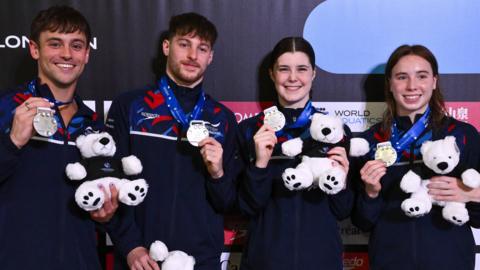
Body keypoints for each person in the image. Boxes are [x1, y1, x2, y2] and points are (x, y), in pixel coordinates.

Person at [105, 12, 239, 270]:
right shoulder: (129, 106)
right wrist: (130, 245)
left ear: (210, 57)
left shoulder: (223, 119)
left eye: (202, 48)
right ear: (166, 46)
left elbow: (228, 202)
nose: (192, 55)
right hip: (142, 260)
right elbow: (110, 182)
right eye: (184, 44)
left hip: (201, 262)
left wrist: (218, 173)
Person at [0, 5, 117, 270]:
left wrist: (107, 214)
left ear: (87, 54)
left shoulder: (96, 128)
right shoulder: (6, 108)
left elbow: (106, 212)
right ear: (34, 49)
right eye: (55, 44)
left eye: (76, 46)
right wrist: (12, 143)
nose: (66, 54)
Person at [351, 44, 480, 270]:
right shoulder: (370, 142)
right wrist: (371, 193)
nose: (412, 86)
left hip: (451, 261)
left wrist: (471, 194)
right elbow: (362, 222)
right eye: (402, 77)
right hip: (389, 261)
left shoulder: (462, 135)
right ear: (390, 84)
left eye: (422, 76)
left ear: (434, 81)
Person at [236, 37, 353, 270]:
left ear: (313, 74)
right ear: (271, 74)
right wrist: (260, 164)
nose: (292, 78)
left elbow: (342, 211)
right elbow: (247, 208)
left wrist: (343, 181)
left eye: (301, 69)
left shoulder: (335, 130)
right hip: (265, 262)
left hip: (322, 261)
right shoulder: (250, 130)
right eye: (283, 69)